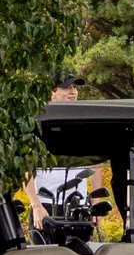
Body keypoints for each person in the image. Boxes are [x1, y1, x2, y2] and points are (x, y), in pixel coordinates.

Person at [30, 73, 101, 228]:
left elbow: (95, 164)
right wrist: (36, 206)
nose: (73, 92)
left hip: (78, 203)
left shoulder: (84, 124)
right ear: (52, 92)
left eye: (74, 87)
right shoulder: (37, 123)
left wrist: (95, 202)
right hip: (46, 204)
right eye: (67, 87)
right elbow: (25, 170)